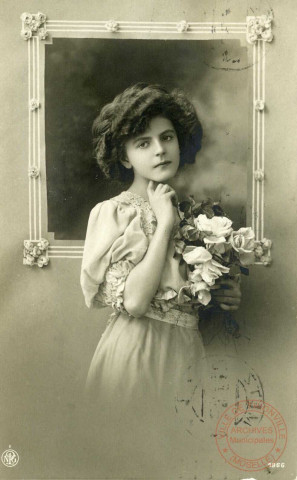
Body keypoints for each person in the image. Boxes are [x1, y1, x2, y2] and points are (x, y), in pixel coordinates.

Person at [80, 83, 242, 478]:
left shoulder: (196, 213)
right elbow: (134, 303)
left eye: (167, 137)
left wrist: (223, 293)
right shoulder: (113, 213)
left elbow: (187, 293)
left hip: (187, 352)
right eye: (143, 142)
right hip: (138, 352)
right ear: (124, 154)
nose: (160, 150)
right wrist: (165, 224)